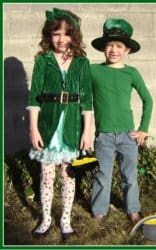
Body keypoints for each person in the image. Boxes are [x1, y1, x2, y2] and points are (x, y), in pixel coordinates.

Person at [27, 8, 92, 239]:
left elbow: (87, 99)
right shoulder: (43, 61)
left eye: (66, 34)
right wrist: (33, 128)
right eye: (56, 34)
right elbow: (34, 97)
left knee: (69, 174)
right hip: (48, 126)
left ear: (74, 36)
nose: (61, 39)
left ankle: (65, 220)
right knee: (46, 175)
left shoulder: (82, 62)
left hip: (72, 126)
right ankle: (45, 218)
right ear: (48, 35)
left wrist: (88, 130)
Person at [90, 18, 153, 224]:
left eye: (119, 46)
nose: (114, 50)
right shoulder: (93, 71)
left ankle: (133, 210)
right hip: (104, 135)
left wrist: (143, 129)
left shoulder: (131, 73)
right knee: (102, 176)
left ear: (127, 50)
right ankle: (99, 212)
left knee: (130, 176)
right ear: (103, 48)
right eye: (110, 45)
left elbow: (148, 100)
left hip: (128, 135)